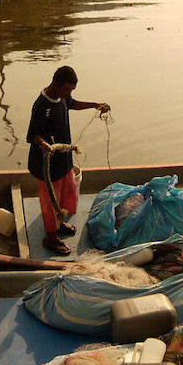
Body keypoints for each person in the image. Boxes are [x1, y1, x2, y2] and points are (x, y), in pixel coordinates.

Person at [27, 65, 110, 255]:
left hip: (63, 159)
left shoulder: (62, 98)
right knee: (51, 200)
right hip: (47, 163)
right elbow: (33, 134)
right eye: (66, 89)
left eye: (71, 90)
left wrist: (95, 105)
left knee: (68, 191)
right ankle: (50, 237)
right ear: (55, 84)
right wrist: (43, 145)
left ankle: (60, 222)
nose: (68, 94)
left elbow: (73, 103)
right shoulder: (41, 105)